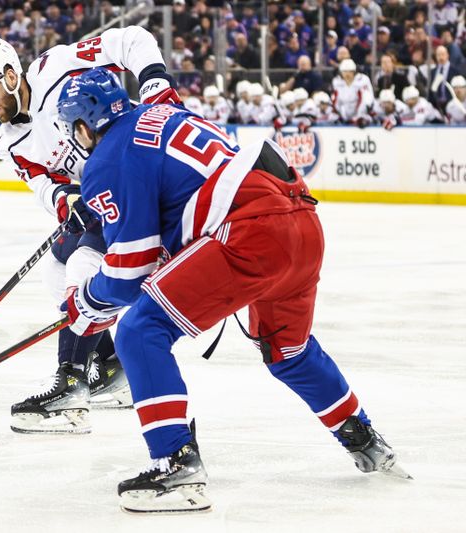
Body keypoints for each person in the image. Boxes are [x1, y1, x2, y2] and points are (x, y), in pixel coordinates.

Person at [56, 67, 408, 514]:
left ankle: (175, 464)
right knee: (289, 352)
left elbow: (129, 276)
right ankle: (364, 439)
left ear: (84, 126)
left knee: (139, 331)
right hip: (301, 219)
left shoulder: (108, 156)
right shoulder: (158, 114)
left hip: (249, 231)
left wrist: (86, 301)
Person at [0, 29, 182, 434]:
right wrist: (65, 201)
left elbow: (132, 39)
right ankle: (112, 370)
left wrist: (154, 83)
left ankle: (70, 388)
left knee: (83, 263)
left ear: (11, 75)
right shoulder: (10, 142)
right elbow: (42, 184)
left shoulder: (54, 66)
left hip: (137, 171)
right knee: (57, 268)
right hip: (101, 195)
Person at [331, 58, 374, 126]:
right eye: (345, 71)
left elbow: (367, 99)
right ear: (341, 72)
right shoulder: (337, 82)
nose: (347, 74)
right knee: (331, 116)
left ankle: (362, 119)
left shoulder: (362, 80)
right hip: (344, 113)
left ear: (354, 71)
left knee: (366, 97)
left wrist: (359, 115)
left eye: (350, 71)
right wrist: (340, 113)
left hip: (360, 113)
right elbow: (336, 100)